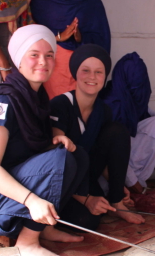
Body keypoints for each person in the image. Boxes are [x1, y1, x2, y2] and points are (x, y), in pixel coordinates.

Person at [0, 25, 101, 256]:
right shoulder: (4, 100)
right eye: (33, 54)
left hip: (7, 188)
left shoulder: (35, 97)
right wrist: (31, 201)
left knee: (76, 155)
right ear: (19, 60)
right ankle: (26, 243)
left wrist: (55, 137)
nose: (43, 62)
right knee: (60, 160)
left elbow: (27, 148)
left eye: (49, 55)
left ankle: (42, 230)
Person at [50, 44, 144, 224]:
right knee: (87, 221)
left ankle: (117, 204)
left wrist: (118, 186)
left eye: (99, 72)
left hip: (86, 175)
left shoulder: (103, 111)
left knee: (118, 131)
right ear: (75, 73)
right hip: (62, 180)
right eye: (85, 70)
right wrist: (85, 199)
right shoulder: (60, 105)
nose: (92, 77)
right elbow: (55, 157)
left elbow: (104, 152)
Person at [31, 0, 111, 99]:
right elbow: (31, 33)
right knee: (54, 112)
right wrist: (60, 36)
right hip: (50, 65)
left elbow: (102, 36)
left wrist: (81, 37)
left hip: (82, 66)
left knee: (78, 113)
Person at [101, 52, 155, 193]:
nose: (138, 89)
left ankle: (133, 182)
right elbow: (115, 153)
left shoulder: (128, 93)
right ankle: (127, 186)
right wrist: (135, 186)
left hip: (125, 153)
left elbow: (145, 109)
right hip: (106, 170)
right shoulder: (111, 105)